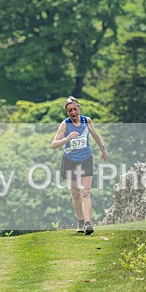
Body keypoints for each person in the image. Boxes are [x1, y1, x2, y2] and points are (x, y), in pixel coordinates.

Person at [50, 96, 107, 235]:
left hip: (86, 159)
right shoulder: (65, 124)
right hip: (70, 161)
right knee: (75, 193)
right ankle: (80, 221)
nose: (73, 112)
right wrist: (68, 138)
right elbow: (53, 145)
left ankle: (88, 223)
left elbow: (95, 134)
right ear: (67, 112)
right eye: (70, 110)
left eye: (75, 109)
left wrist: (102, 149)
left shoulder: (86, 121)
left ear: (79, 108)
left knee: (85, 192)